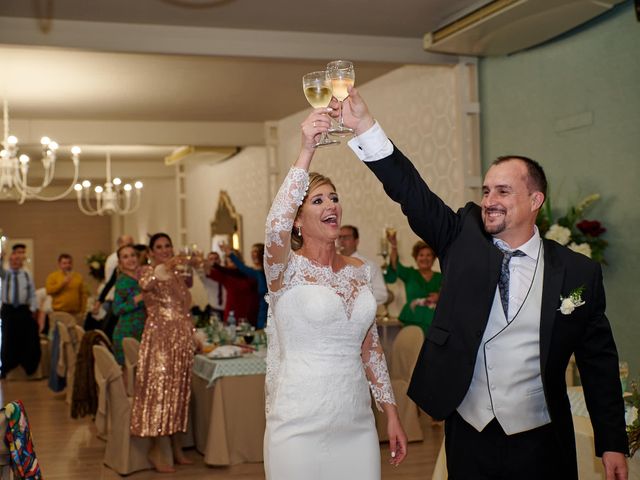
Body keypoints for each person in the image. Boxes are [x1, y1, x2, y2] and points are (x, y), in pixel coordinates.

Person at [335, 88, 628, 479]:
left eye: (503, 191)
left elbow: (598, 363)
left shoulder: (577, 273)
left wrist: (611, 442)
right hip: (470, 431)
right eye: (486, 190)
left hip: (540, 436)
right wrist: (365, 127)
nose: (490, 200)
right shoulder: (461, 237)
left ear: (535, 199)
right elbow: (412, 192)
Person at [262, 109, 407, 480]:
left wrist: (390, 413)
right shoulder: (284, 270)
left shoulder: (361, 271)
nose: (332, 206)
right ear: (298, 219)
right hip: (297, 421)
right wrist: (306, 150)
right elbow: (275, 221)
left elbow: (370, 348)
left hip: (356, 422)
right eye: (318, 201)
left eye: (334, 198)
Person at [130, 233, 199, 472]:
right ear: (151, 252)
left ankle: (177, 446)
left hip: (180, 339)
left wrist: (192, 333)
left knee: (179, 392)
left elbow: (183, 306)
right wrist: (162, 267)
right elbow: (145, 285)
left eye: (168, 245)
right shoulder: (147, 271)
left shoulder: (178, 275)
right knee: (161, 392)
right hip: (159, 339)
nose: (165, 249)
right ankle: (159, 449)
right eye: (159, 247)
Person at [384, 235, 442, 334]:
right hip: (412, 319)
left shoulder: (440, 277)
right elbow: (395, 264)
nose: (425, 258)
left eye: (429, 255)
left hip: (433, 321)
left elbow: (450, 296)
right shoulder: (409, 274)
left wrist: (439, 297)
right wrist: (394, 246)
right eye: (421, 255)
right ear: (416, 258)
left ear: (433, 258)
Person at [0, 244, 40, 378]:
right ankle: (6, 366)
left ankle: (27, 366)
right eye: (13, 260)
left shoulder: (26, 274)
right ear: (9, 262)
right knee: (8, 338)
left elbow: (32, 293)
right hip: (9, 309)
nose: (15, 263)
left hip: (23, 310)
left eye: (18, 261)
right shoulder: (6, 274)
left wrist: (33, 309)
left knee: (26, 336)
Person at [111, 244, 145, 366]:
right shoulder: (122, 281)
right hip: (126, 333)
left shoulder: (143, 277)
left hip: (142, 331)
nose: (130, 259)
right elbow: (116, 309)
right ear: (120, 263)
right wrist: (135, 300)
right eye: (125, 257)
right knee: (128, 375)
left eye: (132, 255)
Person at [337, 225, 388, 305]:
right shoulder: (330, 264)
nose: (341, 241)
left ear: (356, 241)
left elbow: (382, 294)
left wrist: (355, 295)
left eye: (346, 237)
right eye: (339, 237)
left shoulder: (369, 265)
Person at [222, 242, 267, 329]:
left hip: (272, 313)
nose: (253, 254)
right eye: (252, 252)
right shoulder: (256, 272)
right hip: (259, 313)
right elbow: (242, 268)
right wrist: (230, 254)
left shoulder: (271, 272)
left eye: (256, 251)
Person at [206, 251, 258, 326]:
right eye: (230, 261)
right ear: (227, 263)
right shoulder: (226, 276)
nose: (233, 262)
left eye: (235, 259)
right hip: (232, 317)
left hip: (250, 316)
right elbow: (208, 271)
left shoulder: (250, 273)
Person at [45, 254, 88, 320]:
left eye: (69, 263)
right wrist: (63, 283)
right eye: (64, 263)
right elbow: (49, 291)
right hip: (59, 312)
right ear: (59, 264)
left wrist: (82, 311)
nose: (67, 265)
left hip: (75, 313)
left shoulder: (78, 277)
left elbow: (83, 294)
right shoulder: (53, 277)